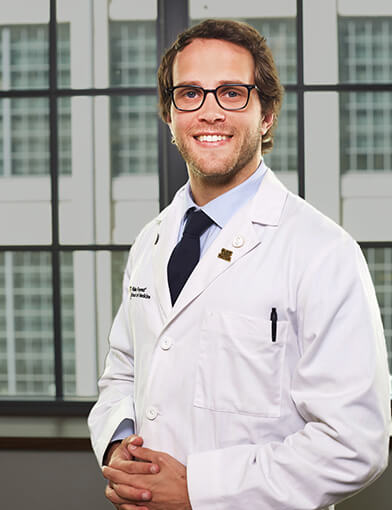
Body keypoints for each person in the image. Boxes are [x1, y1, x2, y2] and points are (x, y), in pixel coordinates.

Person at [88, 19, 390, 510]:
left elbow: (356, 443)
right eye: (190, 94)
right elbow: (124, 369)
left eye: (231, 92)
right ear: (169, 113)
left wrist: (199, 489)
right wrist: (121, 444)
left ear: (266, 113)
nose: (209, 113)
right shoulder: (152, 240)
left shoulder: (323, 253)